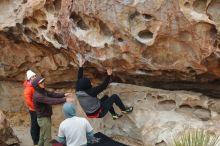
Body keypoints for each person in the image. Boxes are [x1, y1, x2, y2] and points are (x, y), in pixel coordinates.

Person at [75, 55, 133, 120]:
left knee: (106, 98)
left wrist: (81, 65)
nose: (90, 83)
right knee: (114, 97)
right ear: (86, 86)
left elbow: (79, 79)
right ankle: (124, 110)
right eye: (89, 83)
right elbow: (103, 86)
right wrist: (109, 75)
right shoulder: (91, 92)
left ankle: (114, 115)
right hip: (99, 113)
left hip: (90, 112)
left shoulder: (78, 91)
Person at [32, 76, 74, 146]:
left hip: (45, 117)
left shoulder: (42, 91)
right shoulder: (37, 96)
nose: (43, 83)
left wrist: (64, 94)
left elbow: (52, 94)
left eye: (43, 81)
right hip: (43, 119)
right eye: (41, 82)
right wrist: (64, 99)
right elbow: (50, 100)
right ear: (37, 86)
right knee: (47, 139)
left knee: (42, 137)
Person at [23, 70, 40, 146]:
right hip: (34, 110)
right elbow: (28, 102)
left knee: (38, 125)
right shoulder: (28, 88)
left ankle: (38, 140)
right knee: (34, 125)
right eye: (33, 77)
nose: (34, 77)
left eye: (35, 76)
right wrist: (36, 107)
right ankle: (35, 141)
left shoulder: (35, 85)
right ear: (29, 79)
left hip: (38, 109)